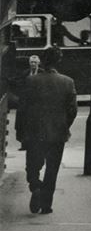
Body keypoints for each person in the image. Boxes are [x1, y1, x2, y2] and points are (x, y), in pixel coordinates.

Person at [18, 46, 78, 214]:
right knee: (52, 169)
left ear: (43, 60)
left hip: (34, 133)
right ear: (58, 60)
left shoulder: (31, 81)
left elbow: (22, 109)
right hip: (57, 134)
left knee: (32, 166)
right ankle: (46, 205)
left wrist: (20, 132)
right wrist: (64, 125)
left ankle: (35, 186)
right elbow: (72, 110)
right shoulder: (67, 82)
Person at [14, 55, 41, 150]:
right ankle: (24, 144)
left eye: (35, 62)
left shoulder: (42, 73)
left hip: (37, 103)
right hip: (26, 103)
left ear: (38, 63)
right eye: (31, 62)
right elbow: (19, 85)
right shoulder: (25, 73)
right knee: (23, 124)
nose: (33, 64)